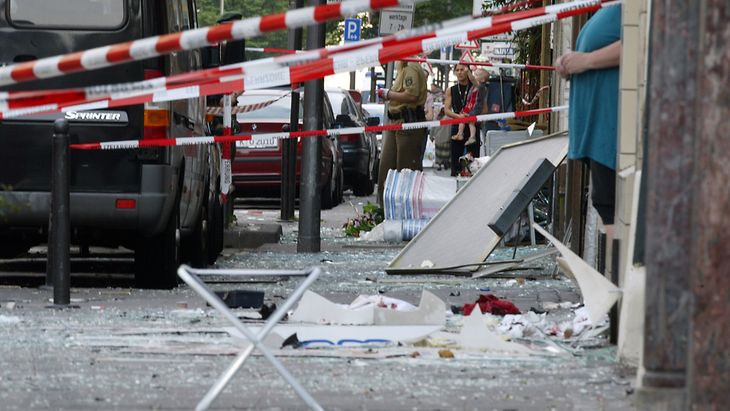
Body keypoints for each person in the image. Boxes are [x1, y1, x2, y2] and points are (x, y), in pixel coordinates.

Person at [556, 5, 621, 233]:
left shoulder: (635, 7)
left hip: (610, 130)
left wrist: (586, 60)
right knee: (607, 207)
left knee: (613, 210)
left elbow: (640, 42)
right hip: (599, 132)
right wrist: (570, 63)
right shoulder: (610, 8)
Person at [376, 60, 428, 205]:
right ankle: (384, 212)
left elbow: (411, 96)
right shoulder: (402, 66)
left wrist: (388, 94)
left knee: (406, 174)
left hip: (407, 125)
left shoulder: (409, 66)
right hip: (396, 124)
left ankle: (405, 213)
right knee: (386, 171)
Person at [444, 64, 481, 176]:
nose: (459, 72)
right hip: (457, 125)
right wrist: (458, 117)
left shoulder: (475, 87)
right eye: (457, 70)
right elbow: (446, 110)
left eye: (462, 70)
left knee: (473, 162)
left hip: (472, 125)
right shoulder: (451, 89)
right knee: (456, 162)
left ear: (468, 71)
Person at [451, 68, 488, 146]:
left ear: (483, 79)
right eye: (474, 74)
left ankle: (472, 137)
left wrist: (468, 72)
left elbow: (472, 79)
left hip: (474, 108)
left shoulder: (481, 87)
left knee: (471, 123)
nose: (474, 76)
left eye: (477, 75)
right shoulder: (473, 87)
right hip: (469, 106)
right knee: (462, 119)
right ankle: (460, 134)